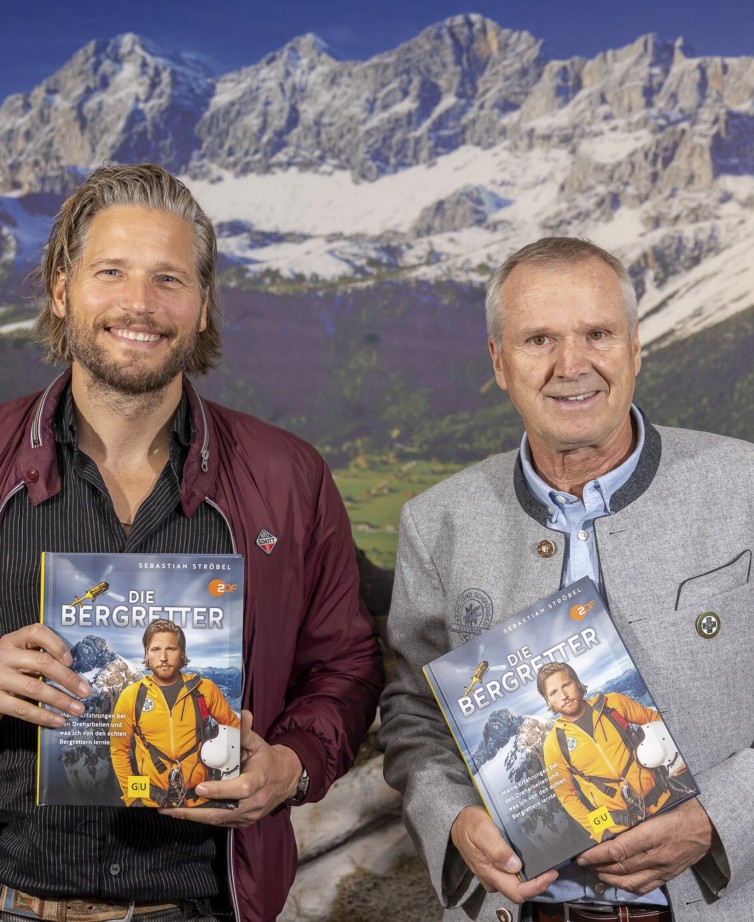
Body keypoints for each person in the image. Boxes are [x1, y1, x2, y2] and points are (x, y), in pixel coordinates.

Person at [0, 163, 383, 922]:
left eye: (169, 279)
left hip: (202, 906)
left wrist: (295, 766)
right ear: (61, 290)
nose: (139, 305)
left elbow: (347, 664)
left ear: (203, 306)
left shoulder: (290, 477)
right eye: (111, 272)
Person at [379, 236, 754, 922]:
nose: (570, 366)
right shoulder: (437, 524)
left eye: (597, 334)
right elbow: (413, 718)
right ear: (499, 361)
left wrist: (721, 818)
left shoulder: (745, 489)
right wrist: (457, 821)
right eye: (538, 340)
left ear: (636, 347)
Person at [110, 619, 241, 808]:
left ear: (182, 654)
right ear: (147, 654)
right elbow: (118, 750)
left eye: (171, 649)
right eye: (155, 649)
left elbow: (234, 729)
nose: (163, 657)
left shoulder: (205, 689)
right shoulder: (130, 697)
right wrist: (134, 798)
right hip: (151, 804)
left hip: (201, 802)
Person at [537, 662, 673, 843]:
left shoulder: (613, 703)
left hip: (664, 800)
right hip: (620, 829)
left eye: (566, 685)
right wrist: (599, 830)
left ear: (577, 683)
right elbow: (566, 795)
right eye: (553, 692)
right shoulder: (553, 744)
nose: (563, 696)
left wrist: (675, 762)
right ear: (548, 701)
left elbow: (656, 722)